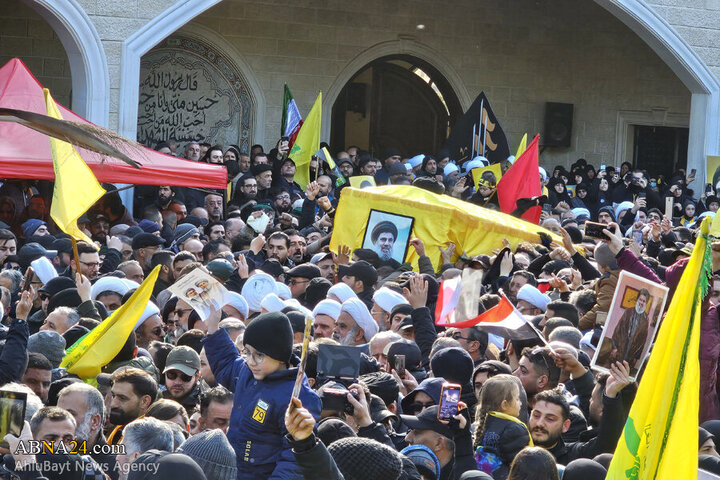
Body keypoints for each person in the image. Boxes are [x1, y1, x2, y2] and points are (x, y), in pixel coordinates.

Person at [203, 309, 322, 478]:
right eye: (247, 352)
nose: (251, 361)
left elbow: (294, 457)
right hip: (233, 472)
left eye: (259, 355)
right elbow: (226, 363)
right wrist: (213, 327)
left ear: (280, 355)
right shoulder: (247, 371)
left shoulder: (297, 396)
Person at [472, 375, 531, 479]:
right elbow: (522, 466)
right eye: (517, 399)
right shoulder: (515, 429)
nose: (521, 403)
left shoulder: (483, 424)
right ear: (504, 405)